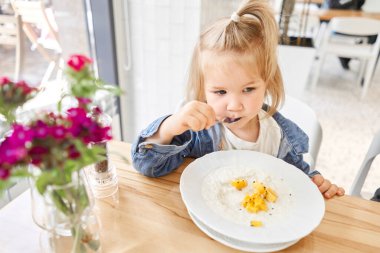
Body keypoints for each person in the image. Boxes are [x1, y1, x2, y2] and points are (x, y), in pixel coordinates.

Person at [131, 0, 345, 199]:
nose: (234, 105)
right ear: (203, 90)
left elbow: (298, 180)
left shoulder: (278, 137)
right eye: (220, 92)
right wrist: (170, 127)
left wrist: (314, 183)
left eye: (248, 89)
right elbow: (147, 165)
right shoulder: (199, 133)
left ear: (267, 83)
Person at [323, 0, 366, 70]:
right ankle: (344, 57)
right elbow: (331, 5)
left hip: (353, 23)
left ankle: (347, 57)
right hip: (336, 24)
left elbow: (360, 4)